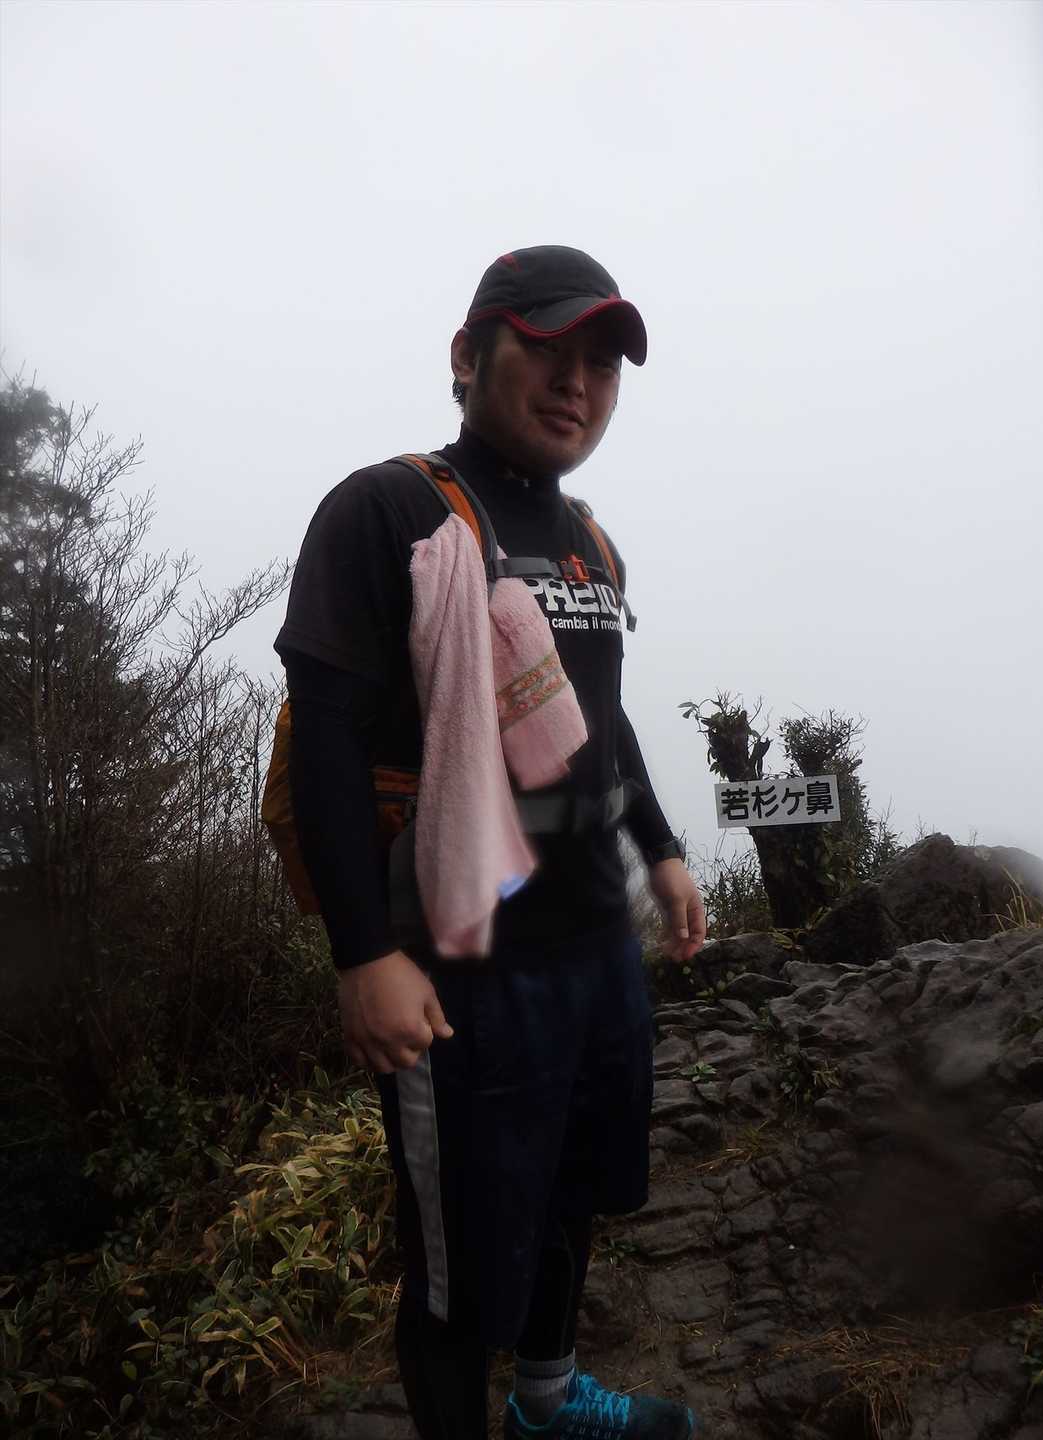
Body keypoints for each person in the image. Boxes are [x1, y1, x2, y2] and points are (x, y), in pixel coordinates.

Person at [275, 246, 706, 1439]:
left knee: (573, 1186)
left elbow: (601, 718)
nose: (579, 385)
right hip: (459, 966)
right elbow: (324, 740)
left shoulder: (589, 541)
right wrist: (364, 956)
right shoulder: (388, 511)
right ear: (469, 356)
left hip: (591, 942)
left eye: (603, 366)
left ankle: (548, 1402)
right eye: (551, 351)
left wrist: (661, 846)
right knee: (457, 1257)